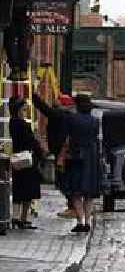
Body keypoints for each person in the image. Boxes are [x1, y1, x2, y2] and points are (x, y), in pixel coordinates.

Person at [32, 92, 75, 218]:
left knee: (63, 180)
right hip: (63, 151)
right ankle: (71, 205)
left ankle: (72, 207)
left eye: (58, 99)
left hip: (61, 152)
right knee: (65, 180)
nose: (55, 100)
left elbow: (45, 109)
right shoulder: (67, 115)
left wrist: (34, 96)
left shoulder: (59, 114)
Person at [63, 94, 100, 233]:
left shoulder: (71, 119)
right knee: (89, 193)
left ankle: (80, 221)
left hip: (76, 156)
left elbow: (67, 137)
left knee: (76, 191)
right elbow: (96, 137)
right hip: (91, 156)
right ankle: (88, 222)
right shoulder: (95, 121)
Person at [9, 96, 46, 229]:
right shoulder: (23, 124)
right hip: (28, 160)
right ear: (18, 110)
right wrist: (41, 151)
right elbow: (31, 142)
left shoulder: (12, 122)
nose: (25, 111)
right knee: (28, 191)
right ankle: (23, 219)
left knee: (19, 190)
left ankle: (15, 217)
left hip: (18, 159)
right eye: (24, 109)